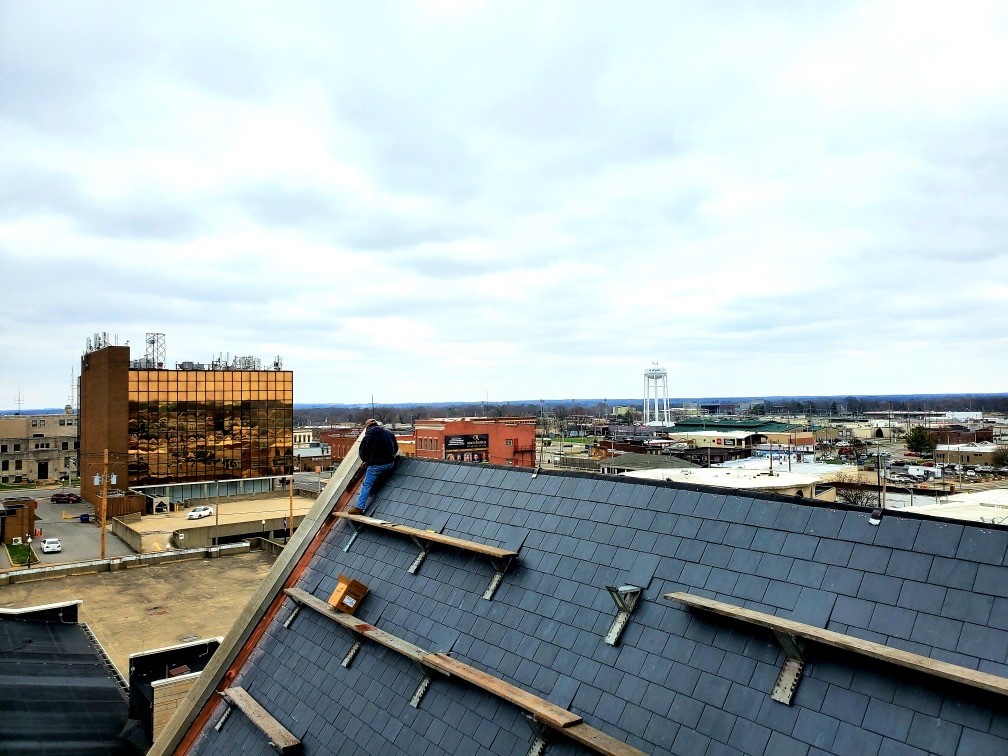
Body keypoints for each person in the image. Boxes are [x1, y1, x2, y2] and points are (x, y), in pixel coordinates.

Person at [348, 419, 398, 515]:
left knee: (366, 485)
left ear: (367, 427)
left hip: (376, 466)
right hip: (390, 464)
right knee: (380, 473)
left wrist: (368, 462)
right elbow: (395, 448)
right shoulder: (388, 433)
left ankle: (359, 507)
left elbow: (362, 454)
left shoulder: (368, 437)